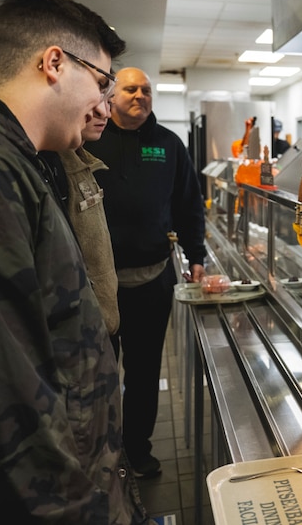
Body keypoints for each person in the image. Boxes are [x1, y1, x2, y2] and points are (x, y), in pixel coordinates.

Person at [0, 0, 150, 522]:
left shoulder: (23, 161)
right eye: (102, 82)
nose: (103, 103)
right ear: (54, 63)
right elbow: (10, 400)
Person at [86, 67, 208, 479]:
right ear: (111, 94)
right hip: (97, 286)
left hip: (153, 281)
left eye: (146, 89)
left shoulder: (169, 145)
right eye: (130, 89)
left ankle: (138, 451)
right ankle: (101, 457)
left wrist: (197, 255)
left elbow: (190, 204)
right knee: (99, 374)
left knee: (143, 373)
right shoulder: (90, 137)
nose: (140, 95)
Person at [40, 96, 121, 336]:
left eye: (109, 103)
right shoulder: (47, 164)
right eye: (94, 101)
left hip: (100, 324)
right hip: (78, 332)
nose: (104, 113)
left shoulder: (82, 161)